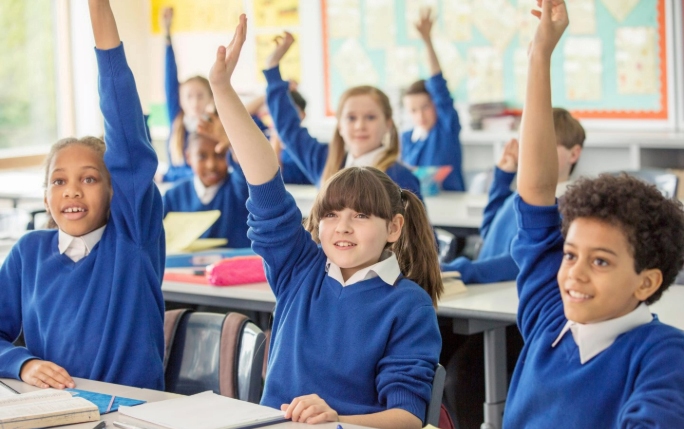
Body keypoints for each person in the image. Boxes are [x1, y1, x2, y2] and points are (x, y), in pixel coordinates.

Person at [209, 15, 442, 429]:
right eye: (331, 215)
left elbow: (407, 417)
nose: (343, 227)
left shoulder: (408, 305)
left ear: (394, 227)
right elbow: (264, 179)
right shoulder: (300, 269)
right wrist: (222, 91)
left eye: (361, 216)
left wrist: (338, 419)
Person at [506, 1, 684, 427]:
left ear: (648, 281)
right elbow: (535, 190)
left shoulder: (664, 355)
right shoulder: (550, 316)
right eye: (570, 255)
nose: (574, 274)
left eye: (601, 260)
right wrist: (539, 55)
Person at [0, 0, 165, 390]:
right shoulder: (29, 253)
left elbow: (127, 136)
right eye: (58, 181)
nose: (72, 189)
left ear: (115, 192)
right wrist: (21, 364)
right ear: (45, 198)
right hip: (56, 411)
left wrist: (98, 13)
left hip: (133, 415)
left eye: (90, 179)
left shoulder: (131, 240)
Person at [263, 32, 423, 199]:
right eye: (351, 118)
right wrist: (272, 67)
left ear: (388, 124)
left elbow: (418, 225)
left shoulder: (400, 178)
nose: (360, 126)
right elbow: (289, 129)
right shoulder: (326, 162)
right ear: (340, 125)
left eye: (370, 117)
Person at [441, 107, 584, 284]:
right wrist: (502, 179)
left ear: (574, 154)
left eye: (546, 146)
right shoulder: (522, 193)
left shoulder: (565, 207)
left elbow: (521, 261)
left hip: (503, 292)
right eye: (527, 144)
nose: (532, 153)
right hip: (486, 288)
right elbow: (489, 232)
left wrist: (462, 270)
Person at [401, 8, 464, 191]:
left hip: (452, 209)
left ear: (436, 105)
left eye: (425, 106)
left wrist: (427, 41)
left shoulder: (446, 128)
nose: (420, 114)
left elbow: (438, 84)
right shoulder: (406, 138)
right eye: (413, 110)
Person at [162, 131, 251, 248]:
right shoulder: (173, 196)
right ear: (188, 157)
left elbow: (245, 170)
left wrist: (233, 145)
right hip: (184, 266)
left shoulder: (238, 189)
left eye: (220, 155)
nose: (211, 165)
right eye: (202, 156)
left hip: (234, 264)